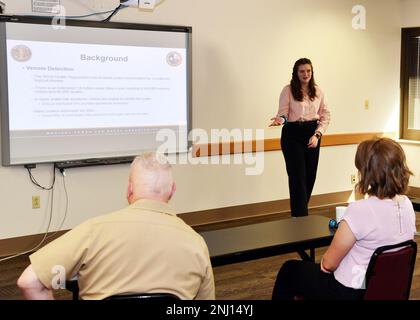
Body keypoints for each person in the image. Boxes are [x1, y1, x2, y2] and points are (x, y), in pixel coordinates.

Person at [17, 152, 215, 300]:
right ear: (172, 191)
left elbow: (29, 282)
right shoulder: (196, 244)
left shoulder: (94, 231)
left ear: (129, 189)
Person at [272, 138, 416, 300]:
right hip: (388, 288)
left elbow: (328, 265)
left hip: (351, 292)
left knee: (289, 270)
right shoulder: (407, 205)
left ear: (367, 173)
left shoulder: (360, 210)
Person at [270, 58, 331, 217]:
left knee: (310, 176)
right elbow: (283, 114)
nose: (305, 74)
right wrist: (280, 120)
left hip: (313, 133)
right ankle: (300, 217)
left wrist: (317, 135)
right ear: (296, 73)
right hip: (292, 134)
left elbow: (325, 116)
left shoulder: (318, 91)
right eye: (302, 71)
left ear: (312, 72)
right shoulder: (288, 90)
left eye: (308, 71)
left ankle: (299, 213)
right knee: (297, 177)